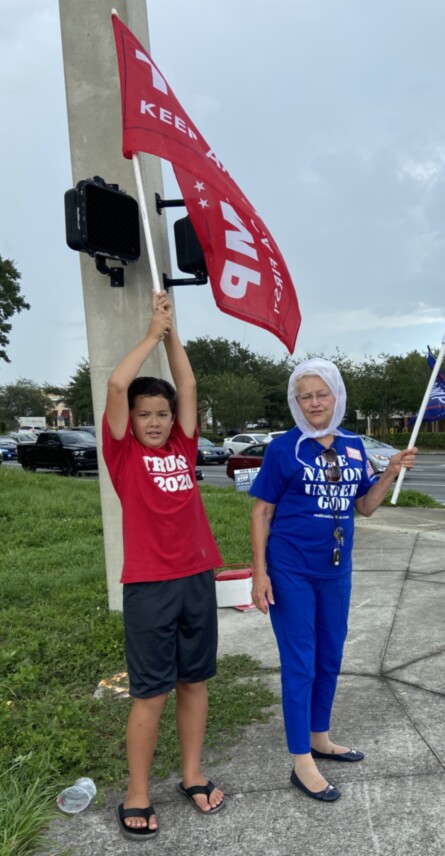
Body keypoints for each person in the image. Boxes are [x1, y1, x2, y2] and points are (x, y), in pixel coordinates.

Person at [249, 358, 417, 803]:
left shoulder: (353, 444)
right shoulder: (284, 449)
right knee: (300, 661)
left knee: (330, 655)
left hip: (336, 570)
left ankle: (319, 735)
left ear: (336, 395)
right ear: (295, 402)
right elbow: (261, 511)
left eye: (321, 393)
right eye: (305, 395)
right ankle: (300, 759)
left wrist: (390, 472)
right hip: (291, 570)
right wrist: (259, 574)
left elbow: (364, 507)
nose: (314, 402)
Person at [104, 291, 225, 841]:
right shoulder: (123, 453)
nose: (154, 422)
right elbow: (114, 385)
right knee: (150, 691)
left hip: (196, 577)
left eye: (161, 414)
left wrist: (174, 333)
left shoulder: (182, 445)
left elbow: (191, 386)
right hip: (150, 587)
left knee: (194, 682)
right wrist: (151, 334)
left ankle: (192, 775)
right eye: (144, 415)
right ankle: (136, 792)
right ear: (130, 420)